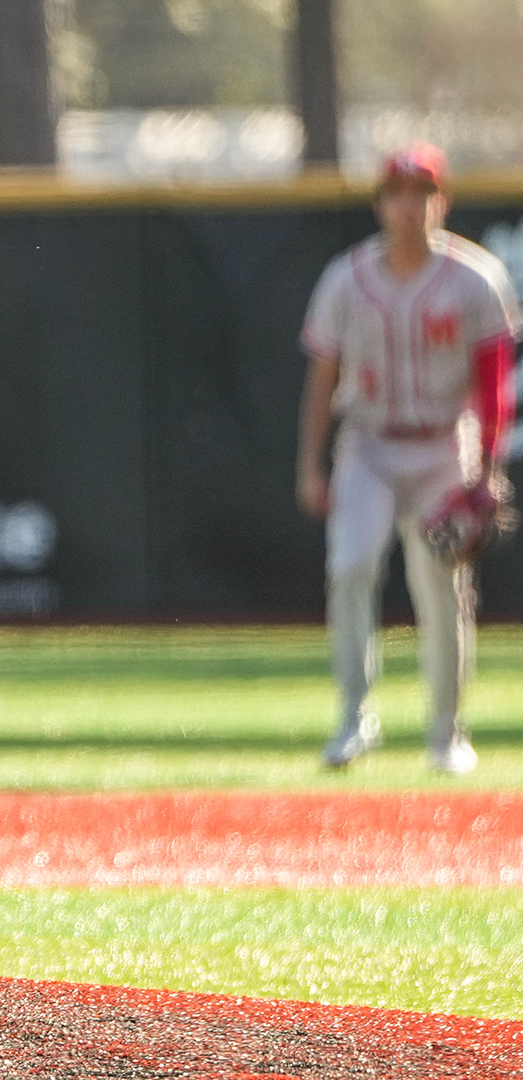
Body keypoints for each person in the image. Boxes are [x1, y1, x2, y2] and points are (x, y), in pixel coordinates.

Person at [296, 143, 519, 774]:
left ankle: (447, 735)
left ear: (441, 202)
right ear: (379, 204)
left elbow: (493, 381)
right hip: (368, 443)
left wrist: (486, 469)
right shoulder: (346, 278)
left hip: (445, 443)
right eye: (397, 192)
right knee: (350, 567)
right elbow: (321, 379)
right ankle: (353, 719)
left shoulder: (475, 277)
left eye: (423, 192)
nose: (410, 205)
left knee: (442, 590)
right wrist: (310, 464)